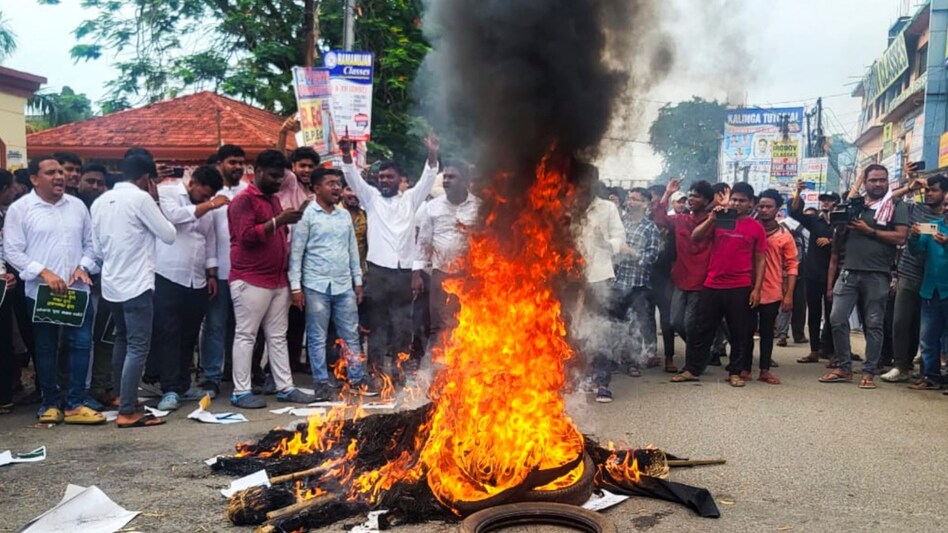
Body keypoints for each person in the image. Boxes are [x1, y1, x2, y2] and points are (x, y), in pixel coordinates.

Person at [3, 156, 103, 425]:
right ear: (35, 179)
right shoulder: (21, 209)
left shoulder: (78, 206)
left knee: (81, 344)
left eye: (61, 172)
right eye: (51, 173)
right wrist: (43, 272)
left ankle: (75, 403)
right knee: (45, 348)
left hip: (76, 291)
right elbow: (12, 249)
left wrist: (84, 266)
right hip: (41, 293)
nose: (60, 177)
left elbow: (92, 245)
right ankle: (49, 403)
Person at [339, 135, 440, 377]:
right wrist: (345, 154)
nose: (384, 181)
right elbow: (352, 176)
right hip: (378, 272)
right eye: (381, 177)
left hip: (403, 273)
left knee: (403, 326)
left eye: (389, 177)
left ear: (399, 180)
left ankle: (398, 372)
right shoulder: (371, 199)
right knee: (377, 325)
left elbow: (428, 178)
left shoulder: (410, 200)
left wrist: (433, 153)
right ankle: (375, 373)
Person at [92, 154, 176, 428]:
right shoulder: (141, 199)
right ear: (146, 178)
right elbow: (169, 234)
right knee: (138, 346)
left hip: (112, 283)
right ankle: (127, 410)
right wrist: (155, 200)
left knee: (122, 342)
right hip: (137, 284)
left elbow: (97, 250)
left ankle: (121, 397)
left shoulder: (100, 201)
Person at [227, 149, 315, 409]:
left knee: (278, 336)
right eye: (274, 177)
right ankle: (241, 391)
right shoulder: (244, 200)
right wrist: (279, 221)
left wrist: (283, 220)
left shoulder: (273, 199)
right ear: (258, 172)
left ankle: (285, 387)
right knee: (246, 335)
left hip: (277, 279)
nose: (278, 182)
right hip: (250, 278)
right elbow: (247, 237)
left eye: (281, 177)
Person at [289, 168, 376, 399]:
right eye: (330, 183)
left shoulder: (343, 216)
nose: (336, 188)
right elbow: (296, 253)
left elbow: (351, 251)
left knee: (351, 334)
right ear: (317, 188)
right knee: (317, 336)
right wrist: (295, 288)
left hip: (344, 285)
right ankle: (321, 382)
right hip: (315, 285)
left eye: (338, 183)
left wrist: (357, 282)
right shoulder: (307, 216)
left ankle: (357, 378)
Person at [820, 164, 909, 389]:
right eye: (873, 180)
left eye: (882, 180)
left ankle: (869, 371)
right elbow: (839, 236)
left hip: (877, 274)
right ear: (865, 183)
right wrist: (841, 227)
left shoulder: (895, 205)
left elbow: (900, 237)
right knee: (837, 319)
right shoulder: (854, 206)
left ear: (888, 182)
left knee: (874, 324)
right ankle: (844, 367)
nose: (878, 184)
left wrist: (870, 231)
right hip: (848, 271)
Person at [672, 182, 766, 387]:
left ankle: (735, 372)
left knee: (739, 332)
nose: (737, 204)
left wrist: (757, 289)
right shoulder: (720, 219)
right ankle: (692, 369)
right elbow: (695, 237)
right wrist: (712, 218)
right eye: (734, 199)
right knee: (701, 329)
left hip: (740, 286)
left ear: (751, 204)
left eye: (742, 201)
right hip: (712, 284)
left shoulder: (756, 228)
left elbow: (760, 259)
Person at [150, 166, 228, 410]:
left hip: (198, 278)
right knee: (169, 332)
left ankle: (183, 385)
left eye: (209, 196)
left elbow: (210, 240)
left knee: (189, 334)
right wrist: (211, 205)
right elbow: (174, 217)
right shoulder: (167, 192)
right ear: (192, 182)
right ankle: (169, 388)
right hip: (168, 274)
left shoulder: (208, 205)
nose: (205, 199)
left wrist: (212, 273)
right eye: (202, 194)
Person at [881, 174, 947, 382]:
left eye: (933, 190)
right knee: (900, 322)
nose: (928, 194)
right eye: (927, 190)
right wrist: (910, 187)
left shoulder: (944, 220)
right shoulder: (915, 209)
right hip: (909, 273)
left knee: (928, 328)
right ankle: (901, 365)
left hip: (937, 279)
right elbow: (886, 202)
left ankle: (929, 370)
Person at [412, 162, 480, 354]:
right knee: (437, 325)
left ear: (465, 181)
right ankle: (434, 371)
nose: (447, 181)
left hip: (468, 277)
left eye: (452, 177)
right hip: (440, 274)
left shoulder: (479, 207)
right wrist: (416, 275)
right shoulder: (432, 207)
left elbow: (486, 242)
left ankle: (463, 368)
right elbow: (423, 242)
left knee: (466, 322)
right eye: (446, 177)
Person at [572, 163, 626, 403]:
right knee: (573, 330)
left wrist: (607, 244)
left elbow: (619, 237)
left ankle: (602, 381)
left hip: (599, 276)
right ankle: (577, 378)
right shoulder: (566, 207)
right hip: (570, 279)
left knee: (600, 329)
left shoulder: (607, 208)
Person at [199, 144, 247, 397]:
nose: (237, 167)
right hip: (219, 272)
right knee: (216, 326)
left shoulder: (249, 192)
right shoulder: (210, 195)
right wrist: (211, 272)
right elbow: (207, 237)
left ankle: (238, 375)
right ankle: (211, 377)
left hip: (245, 273)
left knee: (244, 329)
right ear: (220, 164)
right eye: (232, 162)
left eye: (241, 162)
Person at [653, 179, 714, 359]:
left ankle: (695, 359)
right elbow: (659, 217)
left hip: (701, 281)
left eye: (697, 196)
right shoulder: (681, 220)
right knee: (676, 322)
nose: (691, 199)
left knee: (690, 323)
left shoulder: (714, 221)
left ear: (706, 200)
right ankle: (701, 351)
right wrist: (668, 193)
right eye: (691, 195)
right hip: (680, 278)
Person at [745, 189, 798, 384]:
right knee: (746, 331)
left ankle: (764, 370)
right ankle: (744, 368)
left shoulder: (785, 236)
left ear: (777, 209)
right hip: (747, 288)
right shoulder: (749, 229)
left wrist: (789, 295)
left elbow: (792, 266)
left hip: (772, 291)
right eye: (761, 206)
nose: (764, 210)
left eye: (769, 206)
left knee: (767, 332)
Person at [612, 187, 661, 378]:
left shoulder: (651, 228)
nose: (630, 202)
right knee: (615, 322)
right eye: (630, 199)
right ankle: (615, 360)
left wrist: (631, 252)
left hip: (639, 285)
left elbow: (652, 257)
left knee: (635, 325)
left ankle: (634, 362)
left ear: (646, 204)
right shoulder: (620, 223)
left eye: (635, 199)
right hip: (617, 282)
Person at [791, 182, 839, 363]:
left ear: (836, 203)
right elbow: (795, 212)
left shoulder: (840, 222)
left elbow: (847, 239)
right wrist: (798, 192)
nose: (826, 203)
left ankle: (832, 351)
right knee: (814, 313)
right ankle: (814, 350)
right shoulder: (814, 220)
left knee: (832, 314)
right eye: (824, 200)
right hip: (813, 273)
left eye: (830, 200)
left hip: (833, 275)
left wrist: (831, 241)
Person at [906, 200, 948, 390]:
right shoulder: (934, 226)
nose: (946, 207)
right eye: (946, 204)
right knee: (928, 338)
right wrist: (914, 237)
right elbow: (916, 250)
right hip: (931, 291)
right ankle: (931, 377)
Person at [0, 169, 19, 414]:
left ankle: (4, 396)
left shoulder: (5, 214)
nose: (15, 191)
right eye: (11, 187)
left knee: (5, 342)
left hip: (4, 284)